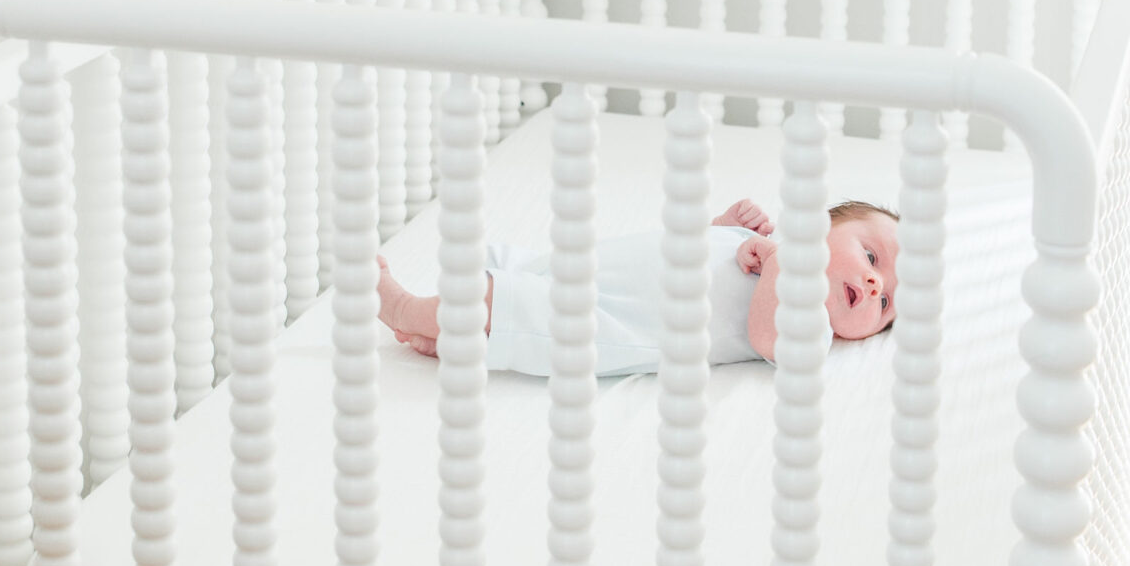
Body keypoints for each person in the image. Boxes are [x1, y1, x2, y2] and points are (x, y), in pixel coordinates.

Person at [376, 197, 898, 378]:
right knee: (532, 275)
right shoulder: (767, 244)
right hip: (614, 273)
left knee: (512, 307)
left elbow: (768, 337)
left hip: (622, 326)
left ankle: (403, 307)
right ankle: (442, 338)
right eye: (871, 256)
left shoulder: (814, 329)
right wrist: (722, 226)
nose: (875, 284)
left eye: (887, 303)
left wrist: (784, 264)